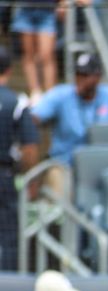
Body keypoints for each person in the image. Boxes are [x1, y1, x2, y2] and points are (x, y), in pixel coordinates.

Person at [0, 45, 39, 271]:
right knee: (8, 234)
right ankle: (7, 285)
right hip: (5, 175)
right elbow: (31, 147)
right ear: (9, 70)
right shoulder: (17, 102)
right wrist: (31, 179)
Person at [10, 0, 59, 103]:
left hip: (48, 10)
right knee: (29, 54)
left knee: (46, 55)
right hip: (26, 10)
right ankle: (35, 92)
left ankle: (50, 94)